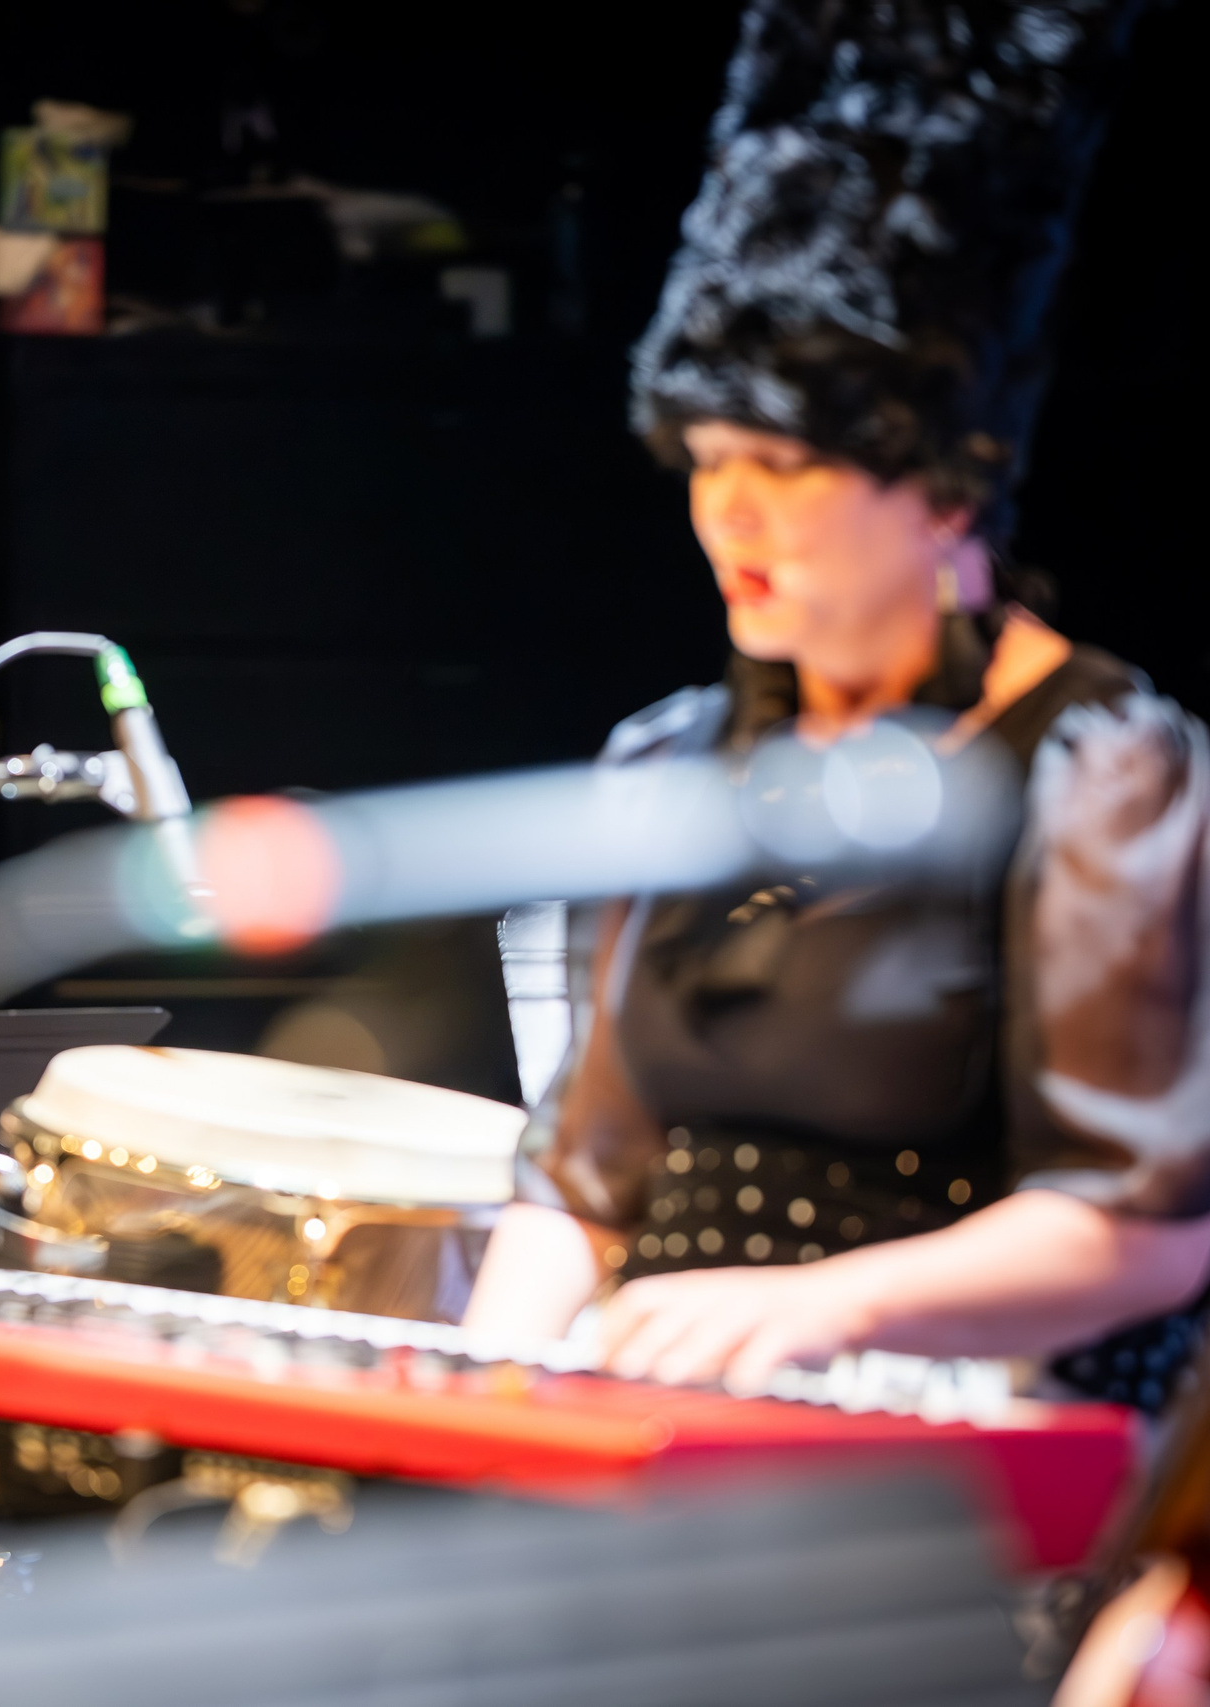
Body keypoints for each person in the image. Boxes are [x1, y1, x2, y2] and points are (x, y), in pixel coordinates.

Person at [462, 0, 1210, 1404]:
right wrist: (478, 1395)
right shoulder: (669, 759)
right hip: (676, 1426)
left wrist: (823, 1309)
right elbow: (584, 1183)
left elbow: (1144, 1227)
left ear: (944, 487)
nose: (729, 512)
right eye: (706, 458)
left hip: (964, 1437)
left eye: (787, 463)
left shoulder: (1094, 768)